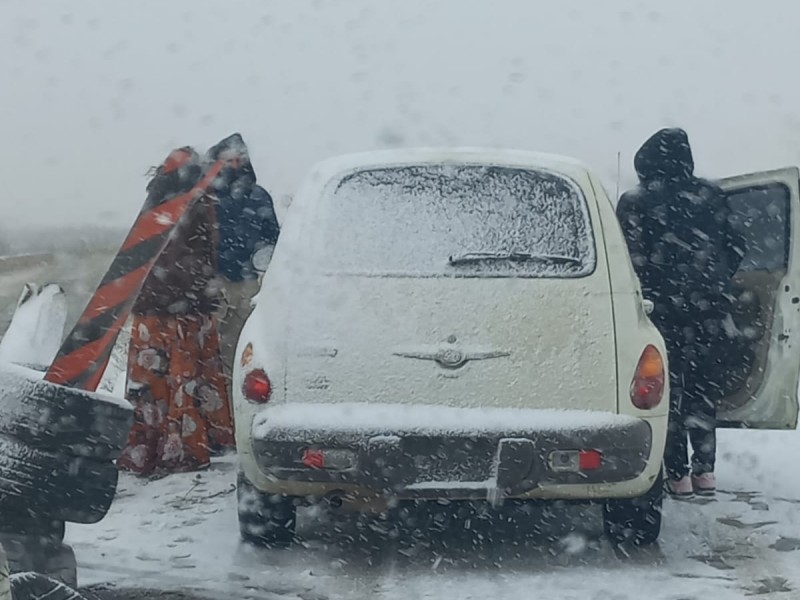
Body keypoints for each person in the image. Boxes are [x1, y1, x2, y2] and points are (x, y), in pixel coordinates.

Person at [616, 128, 745, 498]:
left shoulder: (636, 201)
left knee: (665, 392)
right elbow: (737, 245)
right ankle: (706, 472)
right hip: (708, 311)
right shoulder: (712, 195)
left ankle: (677, 475)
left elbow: (624, 254)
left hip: (660, 311)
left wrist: (654, 282)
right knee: (703, 390)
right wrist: (714, 279)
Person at [117, 156, 235, 476]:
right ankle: (185, 444)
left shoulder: (153, 203)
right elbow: (205, 252)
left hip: (150, 310)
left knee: (149, 382)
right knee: (187, 379)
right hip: (187, 309)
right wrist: (206, 292)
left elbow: (139, 256)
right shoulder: (200, 201)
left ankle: (145, 446)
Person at [207, 134, 280, 398]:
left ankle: (234, 403)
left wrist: (261, 259)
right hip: (209, 283)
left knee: (241, 347)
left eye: (239, 159)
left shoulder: (259, 196)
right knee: (208, 350)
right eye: (228, 159)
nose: (234, 164)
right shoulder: (204, 197)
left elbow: (273, 238)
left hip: (246, 282)